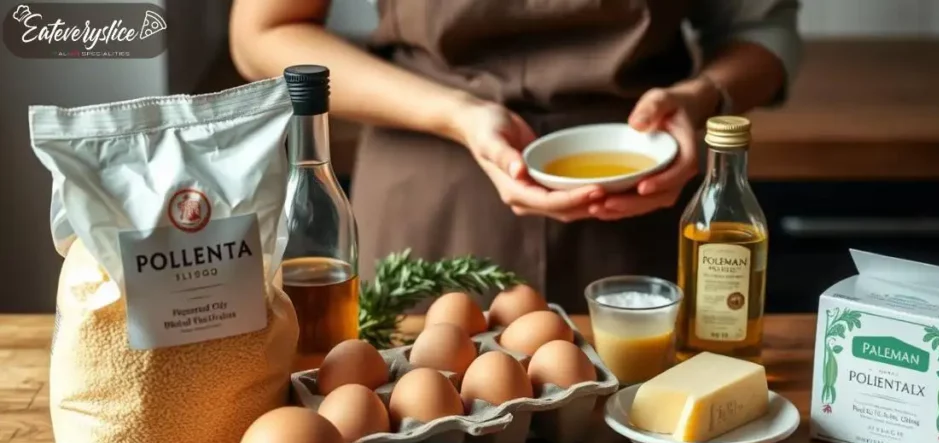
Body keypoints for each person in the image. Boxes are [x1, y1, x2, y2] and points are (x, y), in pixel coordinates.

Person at [230, 0, 801, 313]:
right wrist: (454, 113)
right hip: (431, 195)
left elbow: (760, 32)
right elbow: (263, 32)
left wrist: (700, 99)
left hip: (636, 198)